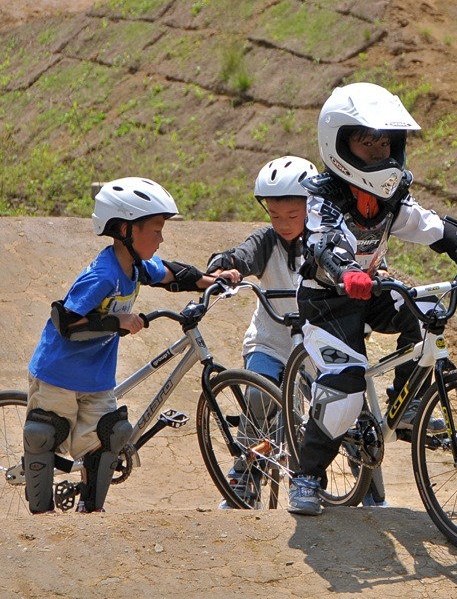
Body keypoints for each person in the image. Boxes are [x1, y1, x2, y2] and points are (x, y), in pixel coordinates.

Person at [287, 82, 457, 516]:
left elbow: (425, 224)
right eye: (366, 143)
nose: (378, 151)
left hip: (371, 290)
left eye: (384, 142)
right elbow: (323, 243)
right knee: (345, 390)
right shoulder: (322, 195)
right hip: (327, 302)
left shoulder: (389, 196)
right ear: (339, 145)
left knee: (428, 313)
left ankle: (409, 407)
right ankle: (306, 476)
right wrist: (347, 271)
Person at [25, 177, 213, 514]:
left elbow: (169, 274)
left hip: (96, 378)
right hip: (58, 373)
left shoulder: (136, 266)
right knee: (44, 434)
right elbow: (65, 321)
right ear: (126, 228)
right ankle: (41, 523)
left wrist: (208, 280)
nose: (161, 238)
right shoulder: (103, 275)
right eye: (155, 230)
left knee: (111, 437)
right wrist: (117, 322)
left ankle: (91, 517)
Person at [205, 155, 318, 508]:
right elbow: (242, 255)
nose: (283, 224)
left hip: (317, 343)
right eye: (274, 215)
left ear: (311, 207)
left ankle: (368, 492)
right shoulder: (266, 241)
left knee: (340, 406)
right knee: (257, 399)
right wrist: (227, 267)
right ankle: (245, 476)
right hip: (270, 340)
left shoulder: (325, 239)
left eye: (292, 216)